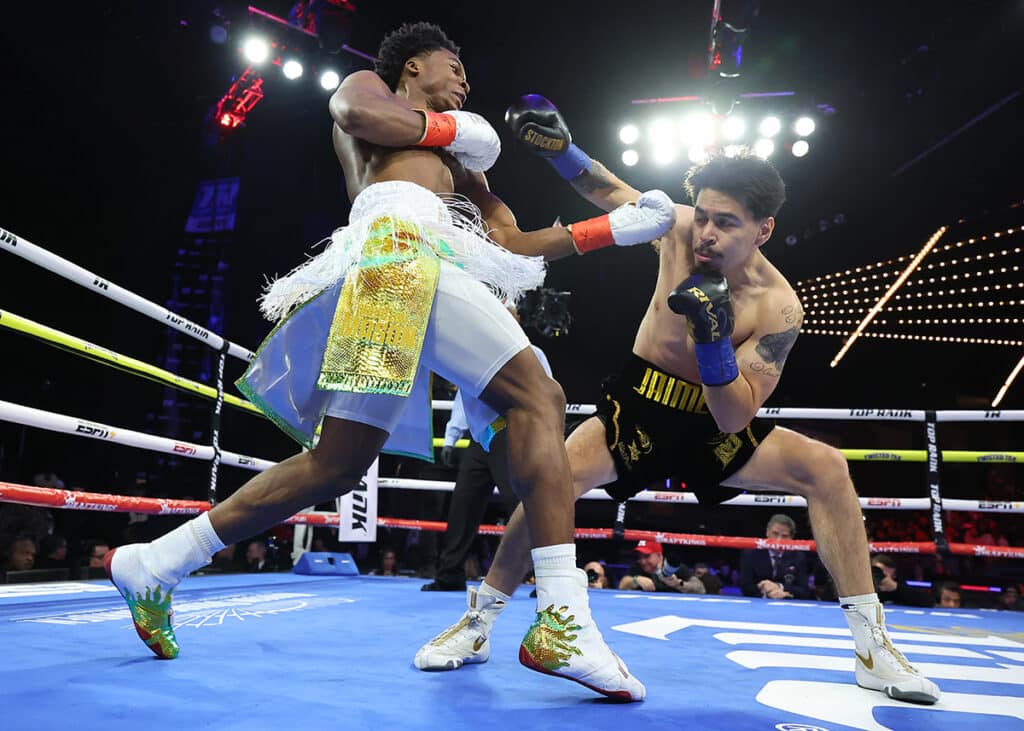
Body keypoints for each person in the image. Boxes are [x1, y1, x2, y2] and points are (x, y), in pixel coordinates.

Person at [105, 24, 673, 702]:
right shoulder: (373, 94)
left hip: (407, 274)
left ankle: (156, 562)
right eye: (452, 66)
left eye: (466, 74)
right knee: (539, 397)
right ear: (413, 67)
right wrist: (450, 125)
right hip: (396, 253)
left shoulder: (460, 161)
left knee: (338, 464)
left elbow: (512, 243)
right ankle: (560, 615)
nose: (464, 81)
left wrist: (611, 229)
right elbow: (353, 113)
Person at [413, 95, 940, 705]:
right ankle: (479, 623)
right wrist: (561, 149)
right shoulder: (681, 228)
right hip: (640, 404)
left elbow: (734, 414)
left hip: (714, 423)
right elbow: (603, 188)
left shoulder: (778, 307)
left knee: (828, 468)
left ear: (764, 229)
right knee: (549, 482)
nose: (708, 233)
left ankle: (874, 648)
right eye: (707, 216)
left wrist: (714, 344)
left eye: (728, 223)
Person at [422, 310, 551, 592]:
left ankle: (546, 576)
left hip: (511, 434)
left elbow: (547, 395)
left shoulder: (533, 354)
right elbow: (463, 396)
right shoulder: (474, 353)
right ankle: (450, 574)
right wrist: (452, 435)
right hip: (480, 440)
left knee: (521, 506)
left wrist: (543, 437)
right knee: (463, 505)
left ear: (516, 321)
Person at [739, 514, 810, 599]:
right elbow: (745, 585)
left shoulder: (798, 556)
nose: (778, 540)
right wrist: (767, 591)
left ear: (791, 538)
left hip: (787, 606)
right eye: (775, 534)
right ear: (767, 532)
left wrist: (780, 587)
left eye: (784, 536)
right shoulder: (751, 553)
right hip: (757, 604)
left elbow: (804, 590)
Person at [618, 540, 704, 593]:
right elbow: (622, 584)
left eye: (647, 556)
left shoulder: (674, 567)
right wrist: (636, 580)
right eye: (640, 557)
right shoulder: (637, 567)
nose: (643, 561)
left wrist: (678, 584)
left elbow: (700, 589)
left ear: (659, 556)